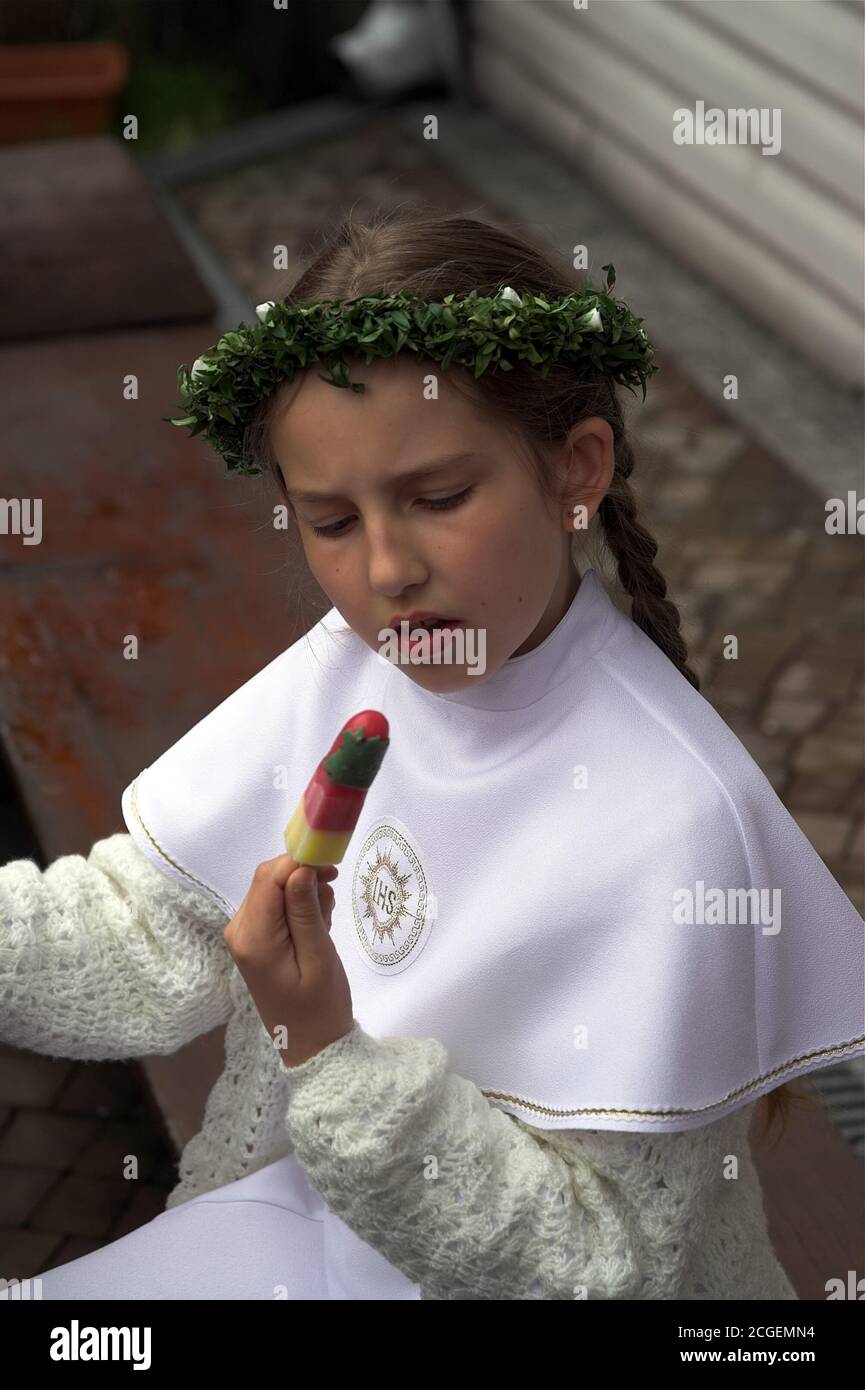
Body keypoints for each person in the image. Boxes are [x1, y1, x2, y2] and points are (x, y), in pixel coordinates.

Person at [3, 207, 862, 1301]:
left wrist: (327, 1046)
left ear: (574, 470)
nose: (388, 570)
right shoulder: (345, 671)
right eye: (329, 521)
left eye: (438, 498)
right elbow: (143, 933)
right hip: (283, 1235)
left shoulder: (679, 815)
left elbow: (598, 1267)